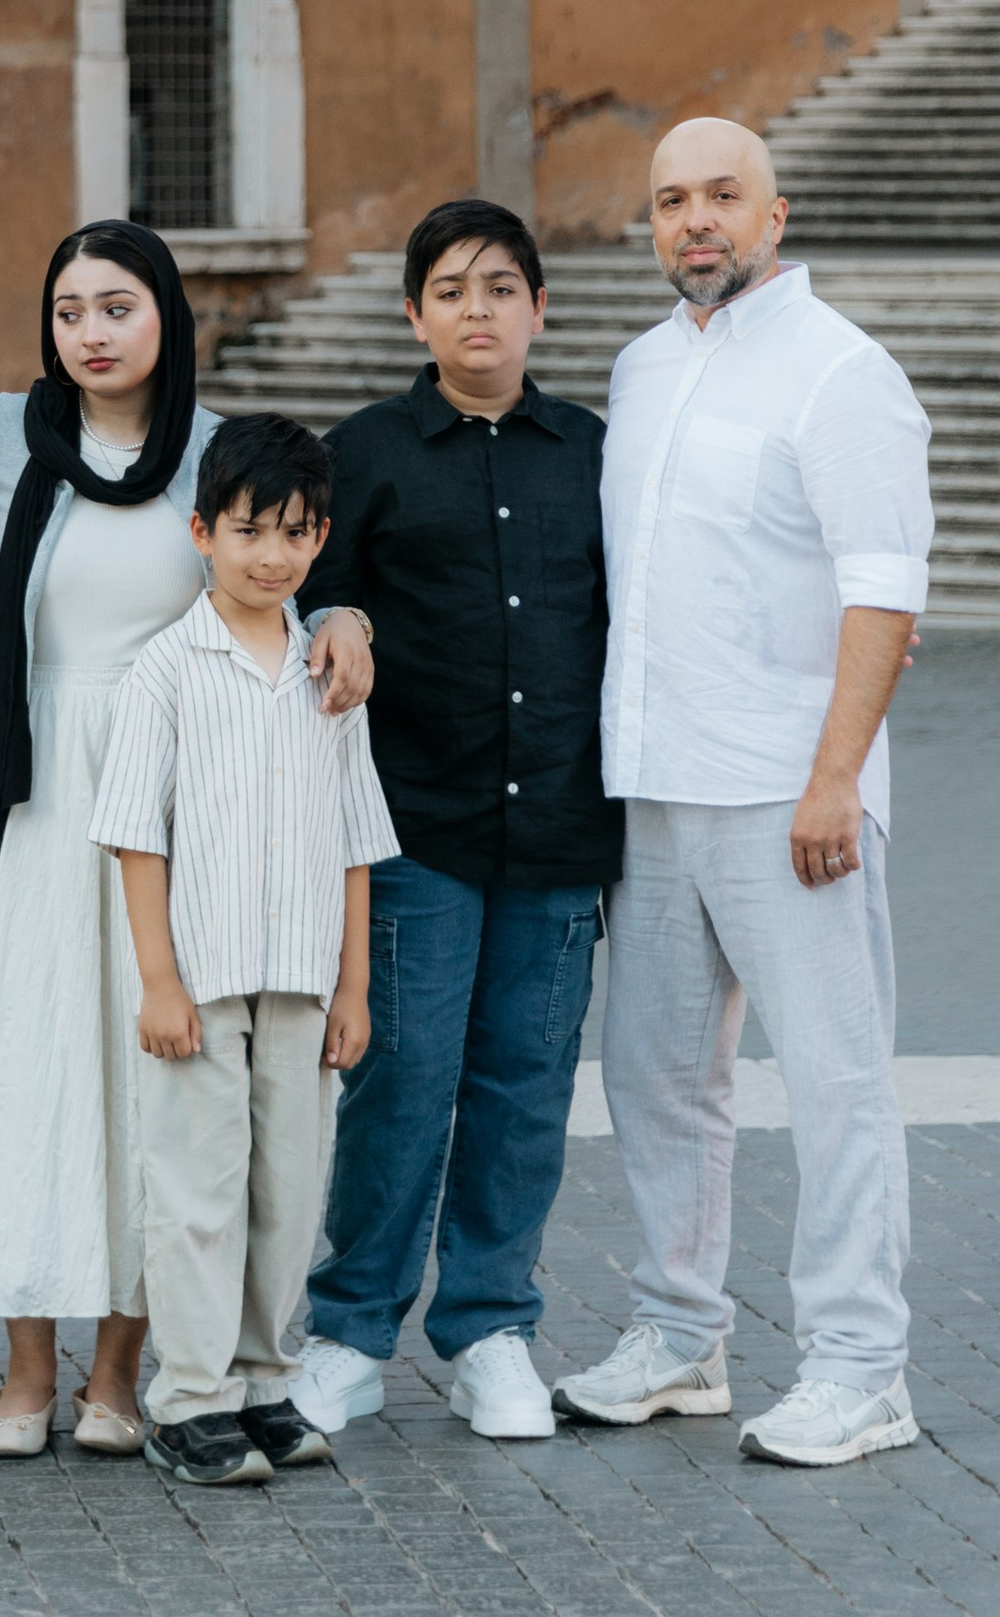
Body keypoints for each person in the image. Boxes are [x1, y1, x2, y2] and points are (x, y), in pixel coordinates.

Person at [551, 117, 933, 1470]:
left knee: (834, 1083)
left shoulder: (842, 375)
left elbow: (885, 587)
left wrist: (837, 778)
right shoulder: (645, 367)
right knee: (657, 1082)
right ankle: (679, 1336)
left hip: (789, 798)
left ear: (776, 214)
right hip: (652, 791)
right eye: (669, 200)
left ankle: (859, 1367)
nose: (695, 219)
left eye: (723, 195)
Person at [285, 198, 617, 1448]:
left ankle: (489, 1330)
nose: (476, 310)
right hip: (411, 825)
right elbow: (311, 577)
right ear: (412, 313)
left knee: (523, 1090)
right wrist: (340, 614)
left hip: (555, 831)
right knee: (398, 1083)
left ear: (539, 306)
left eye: (500, 288)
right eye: (450, 290)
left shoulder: (590, 449)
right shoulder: (365, 448)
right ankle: (350, 1333)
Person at [0, 221, 225, 1459]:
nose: (91, 333)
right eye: (70, 310)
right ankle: (25, 1368)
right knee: (26, 1063)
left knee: (153, 1074)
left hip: (172, 799)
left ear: (165, 318)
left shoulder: (211, 450)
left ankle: (118, 1371)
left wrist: (344, 609)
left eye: (117, 308)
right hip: (29, 795)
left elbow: (283, 577)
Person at [91, 415, 398, 1490]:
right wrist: (159, 982)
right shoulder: (165, 672)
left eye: (296, 533)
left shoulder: (329, 673)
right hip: (203, 982)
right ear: (201, 532)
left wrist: (351, 985)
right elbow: (135, 832)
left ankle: (266, 1382)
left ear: (322, 541)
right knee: (199, 1190)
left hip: (303, 979)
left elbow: (359, 841)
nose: (271, 553)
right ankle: (189, 1398)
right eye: (249, 530)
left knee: (287, 1188)